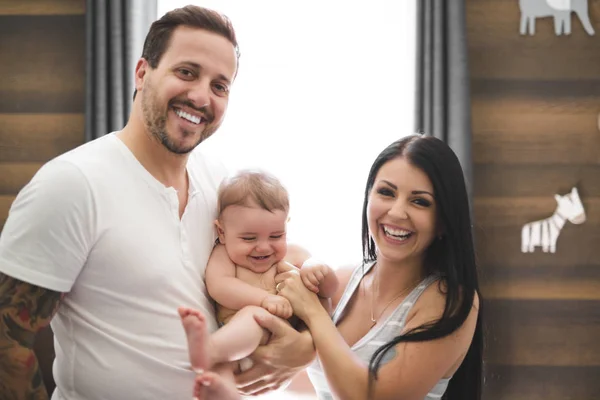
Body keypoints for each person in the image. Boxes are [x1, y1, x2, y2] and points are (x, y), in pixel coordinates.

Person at [0, 5, 315, 400]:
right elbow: (7, 339)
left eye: (220, 86)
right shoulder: (71, 185)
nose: (201, 96)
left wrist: (303, 350)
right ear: (142, 72)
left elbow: (274, 270)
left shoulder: (220, 181)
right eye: (187, 72)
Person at [271, 134, 484, 400]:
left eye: (419, 201)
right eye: (386, 192)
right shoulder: (341, 281)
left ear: (443, 221)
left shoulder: (450, 301)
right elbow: (312, 376)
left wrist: (314, 313)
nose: (396, 212)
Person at [178, 170, 338, 398]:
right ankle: (211, 356)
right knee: (234, 347)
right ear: (222, 232)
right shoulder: (224, 255)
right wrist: (264, 299)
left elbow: (329, 291)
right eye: (249, 238)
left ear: (286, 226)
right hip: (236, 339)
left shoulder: (288, 257)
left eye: (275, 236)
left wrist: (316, 267)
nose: (263, 247)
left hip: (281, 344)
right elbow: (219, 286)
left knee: (249, 331)